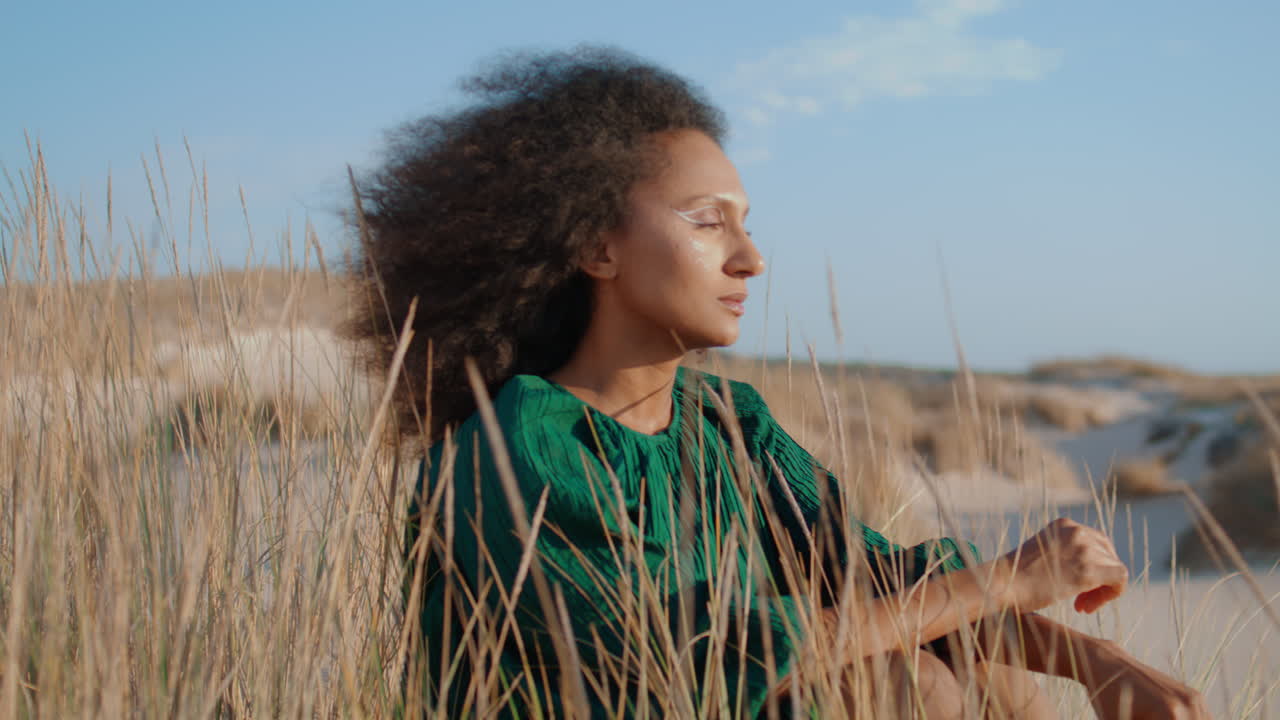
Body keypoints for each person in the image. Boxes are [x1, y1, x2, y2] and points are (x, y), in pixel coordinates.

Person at [350, 47, 1210, 719]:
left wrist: (1102, 665)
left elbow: (878, 580)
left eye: (749, 224)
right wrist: (1009, 578)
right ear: (595, 248)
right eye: (706, 222)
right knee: (910, 687)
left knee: (961, 657)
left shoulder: (726, 422)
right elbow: (701, 655)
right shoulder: (520, 447)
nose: (750, 259)